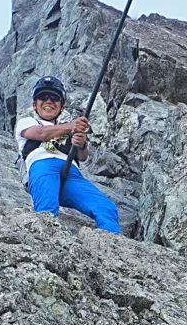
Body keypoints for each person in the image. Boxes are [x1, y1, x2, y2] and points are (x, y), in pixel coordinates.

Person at [16, 76, 122, 231]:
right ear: (34, 104)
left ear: (62, 107)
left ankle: (113, 247)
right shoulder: (27, 122)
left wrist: (81, 143)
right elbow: (41, 134)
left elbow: (83, 156)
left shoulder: (70, 129)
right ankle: (47, 245)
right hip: (42, 165)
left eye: (54, 98)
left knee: (106, 208)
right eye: (43, 97)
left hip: (72, 172)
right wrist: (72, 126)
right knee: (47, 210)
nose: (48, 101)